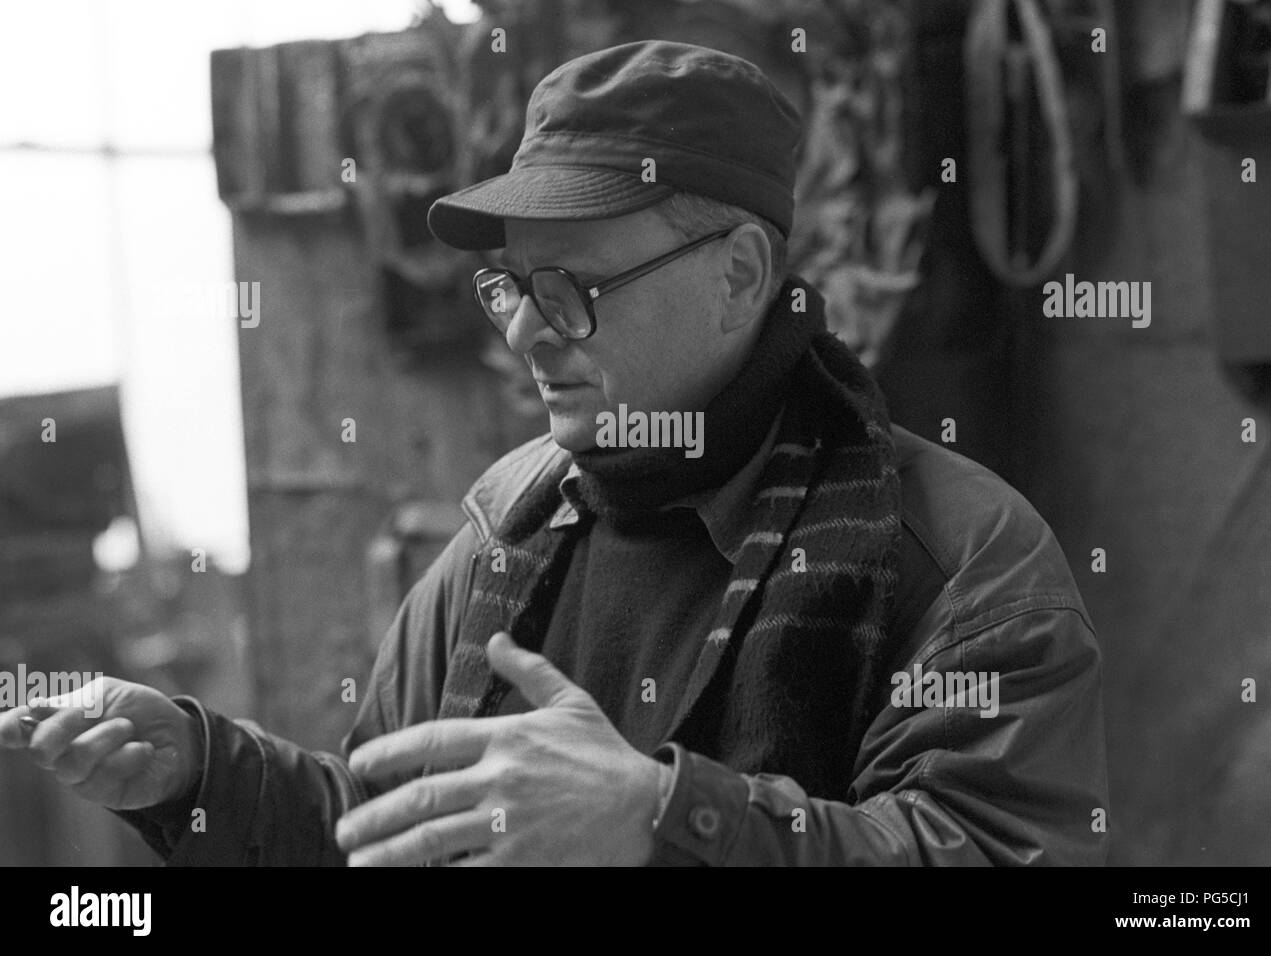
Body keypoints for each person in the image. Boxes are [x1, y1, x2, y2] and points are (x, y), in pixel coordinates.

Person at [0, 40, 1108, 866]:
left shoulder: (963, 560)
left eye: (572, 287)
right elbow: (386, 828)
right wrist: (201, 772)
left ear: (738, 273)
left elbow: (987, 853)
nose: (528, 332)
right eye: (510, 287)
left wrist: (663, 821)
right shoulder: (508, 520)